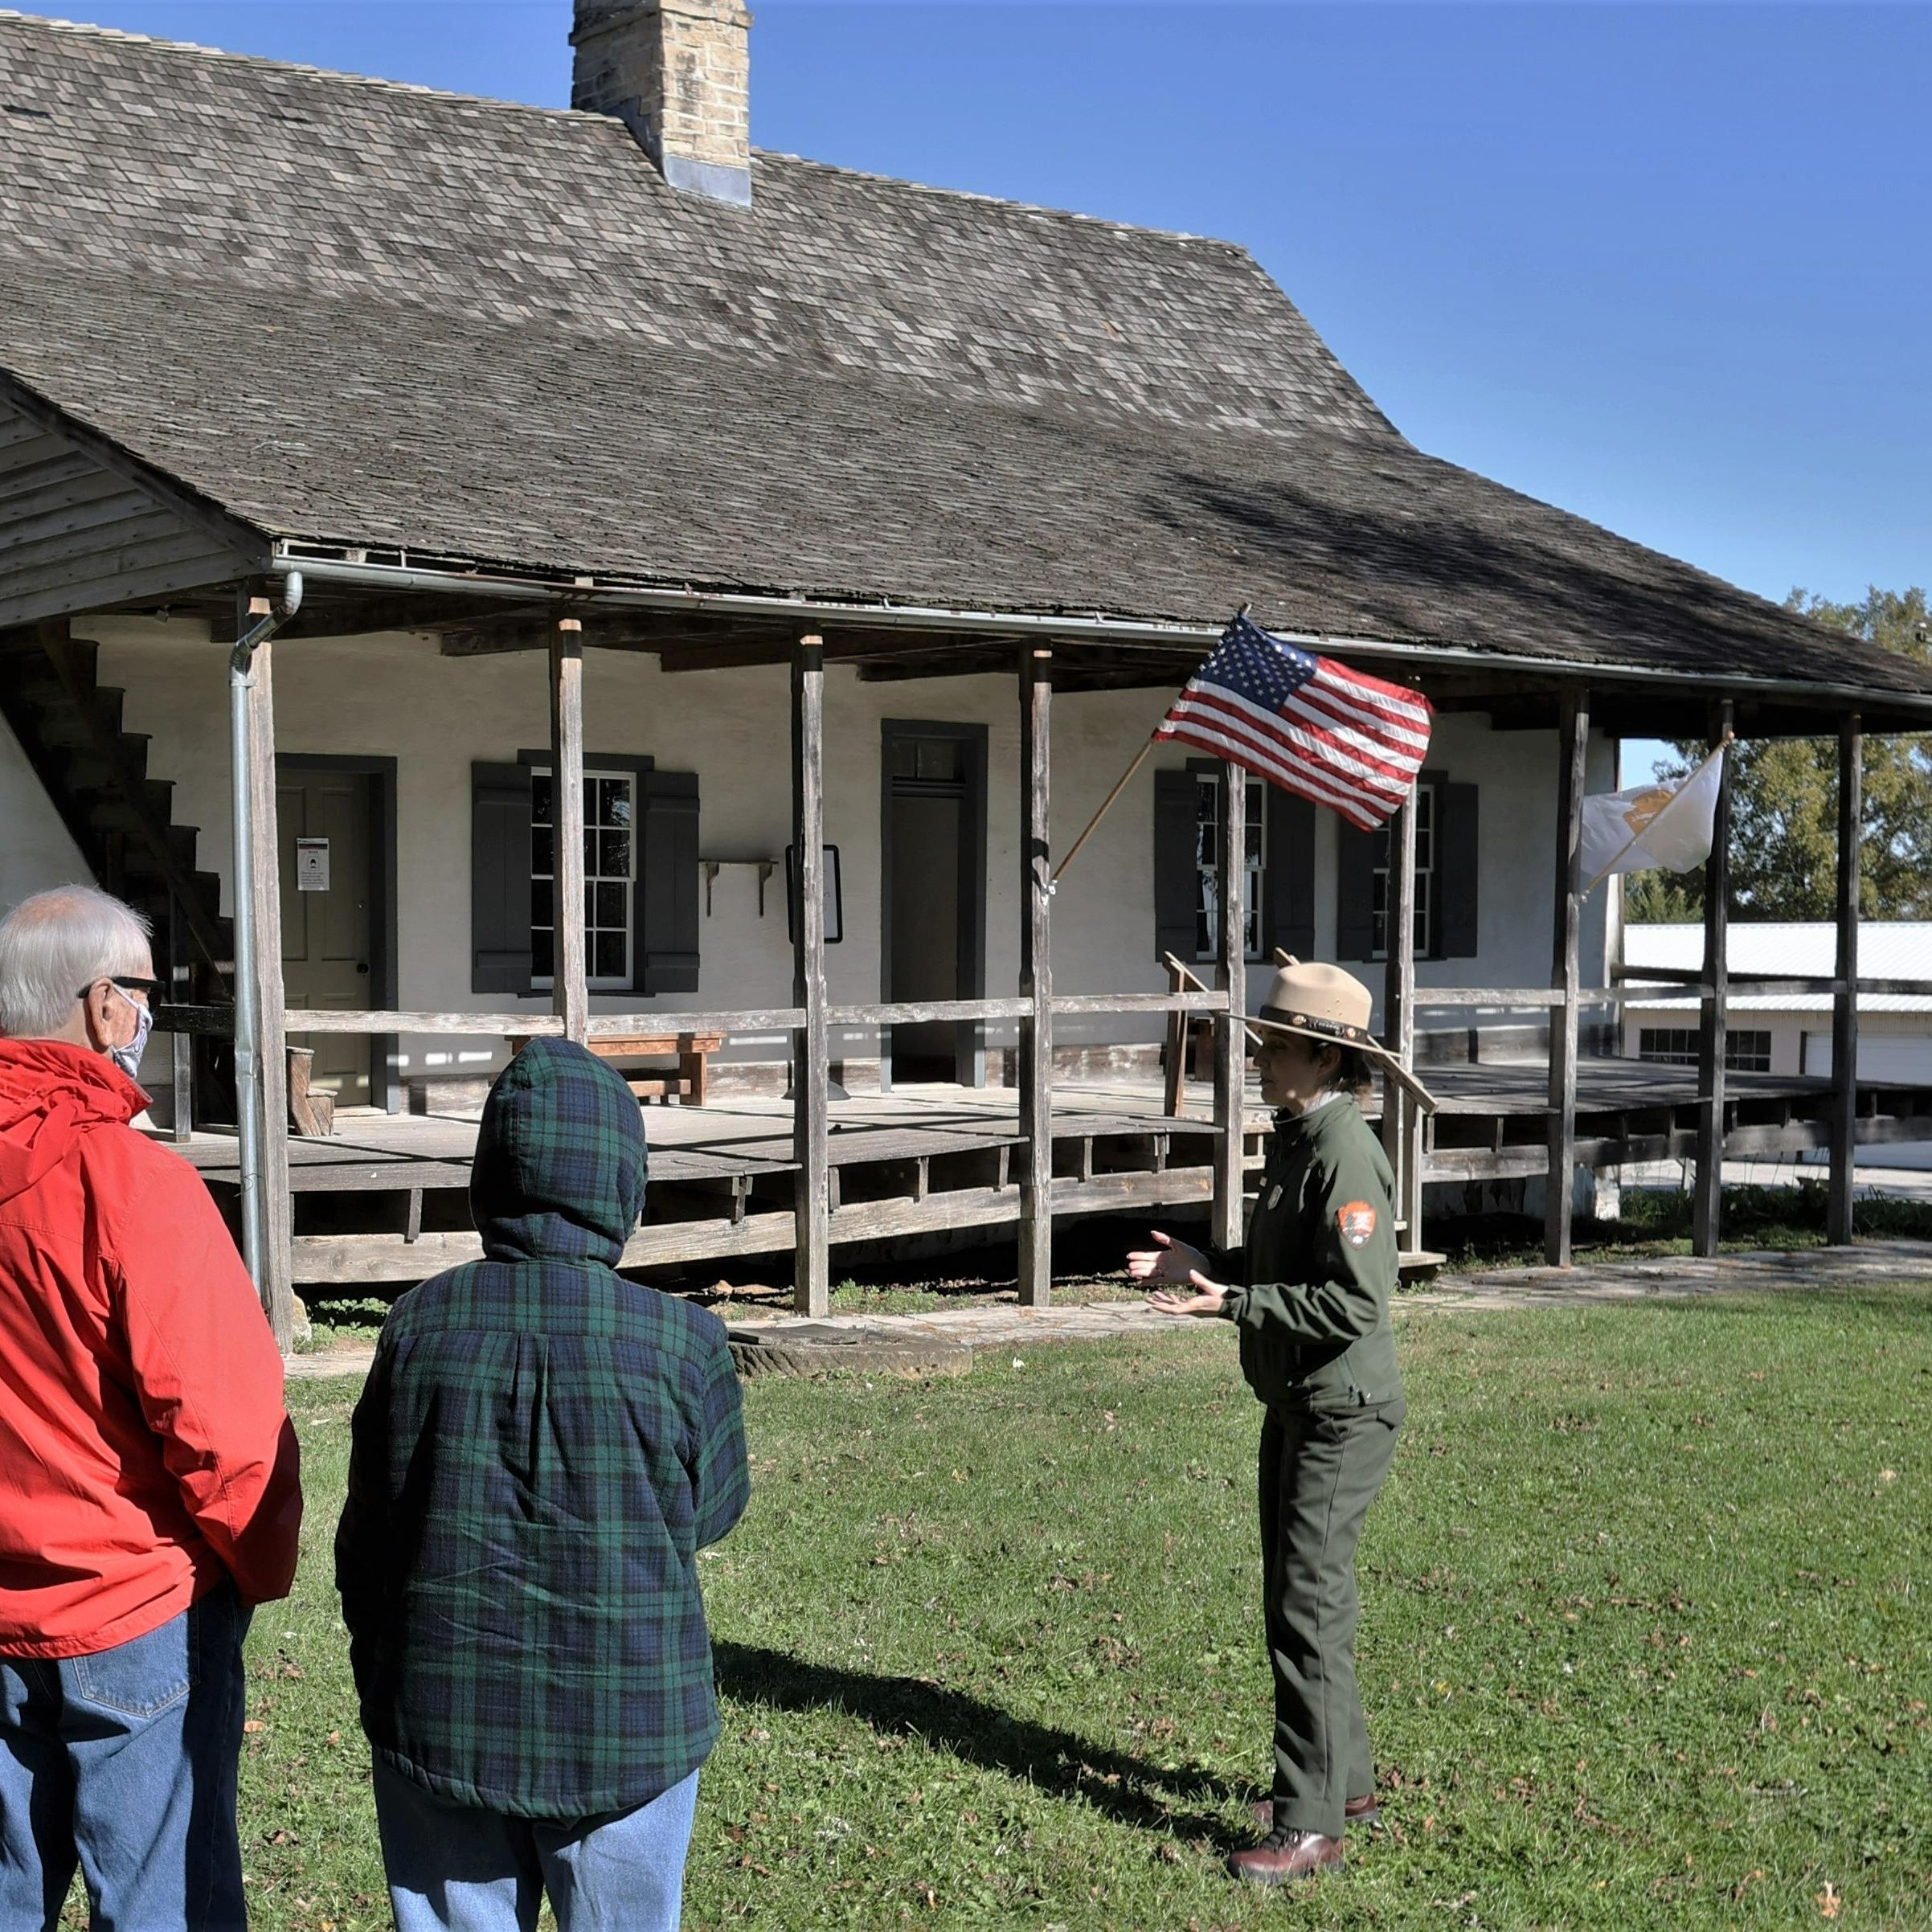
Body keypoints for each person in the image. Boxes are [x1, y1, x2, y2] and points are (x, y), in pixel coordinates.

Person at [337, 1036, 750, 1932]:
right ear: (624, 1184)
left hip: (441, 1711)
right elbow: (711, 1513)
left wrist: (384, 1669)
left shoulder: (417, 1326)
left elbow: (369, 1525)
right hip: (631, 1726)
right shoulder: (683, 1344)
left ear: (488, 1174)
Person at [0, 884, 303, 1930]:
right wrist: (257, 1570)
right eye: (144, 996)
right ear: (100, 1009)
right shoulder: (138, 1185)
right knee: (165, 1902)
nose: (147, 1018)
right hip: (133, 1611)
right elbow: (229, 1431)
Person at [1129, 959, 1423, 1886]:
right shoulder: (1302, 1136)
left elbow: (1354, 1305)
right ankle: (1349, 1786)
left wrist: (1231, 1305)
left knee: (1305, 1608)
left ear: (1322, 1057)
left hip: (1340, 1413)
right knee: (1304, 1603)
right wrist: (1204, 1263)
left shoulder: (1345, 1153)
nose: (1256, 1059)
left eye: (1272, 1047)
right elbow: (1275, 1262)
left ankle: (1310, 1826)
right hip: (1295, 1404)